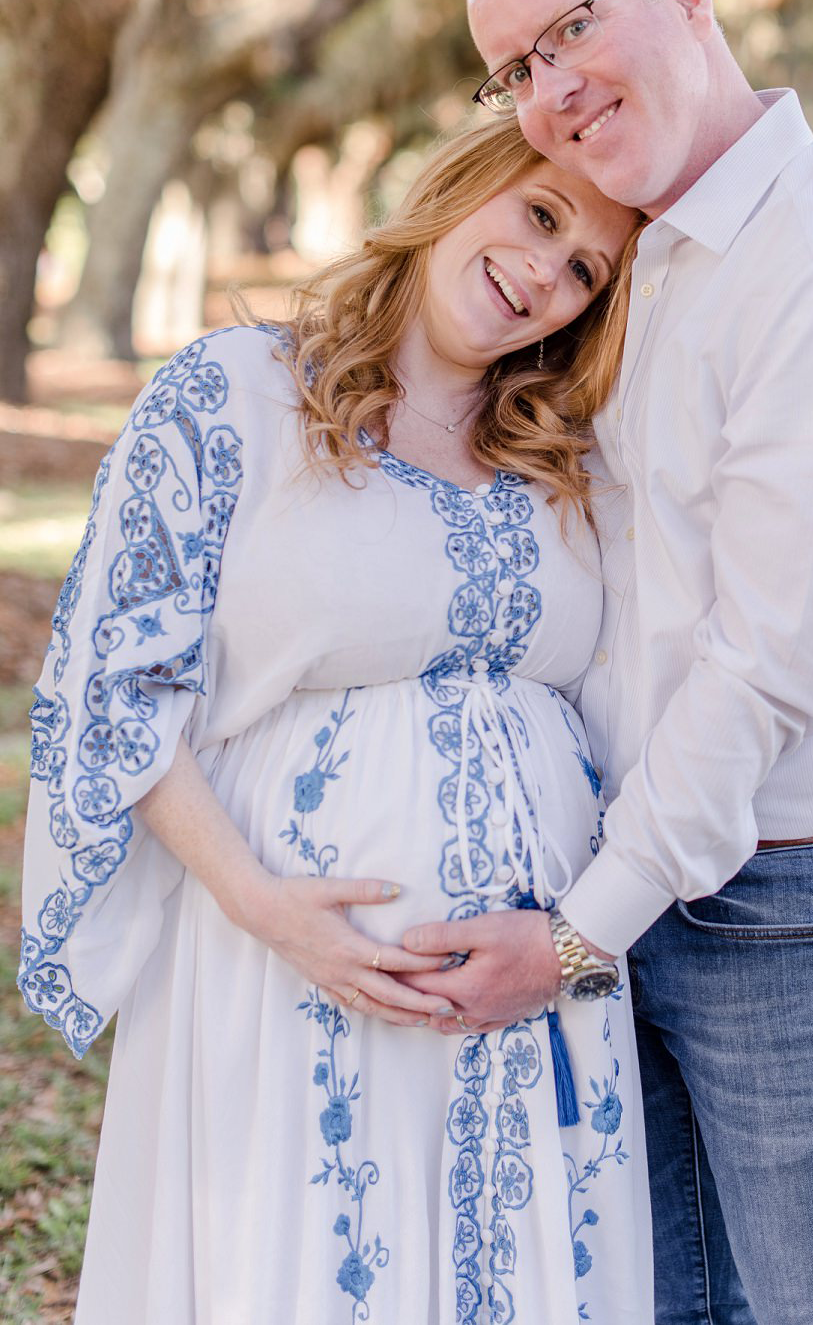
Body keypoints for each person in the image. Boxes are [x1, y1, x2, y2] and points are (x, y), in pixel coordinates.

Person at [395, 0, 813, 1324]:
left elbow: (763, 670)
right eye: (517, 66)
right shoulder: (635, 252)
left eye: (573, 25)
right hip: (636, 874)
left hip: (789, 898)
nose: (552, 87)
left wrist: (582, 929)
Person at [17, 116, 655, 1324]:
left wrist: (577, 927)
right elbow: (113, 679)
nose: (544, 273)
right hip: (283, 968)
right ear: (463, 184)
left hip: (532, 996)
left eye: (585, 271)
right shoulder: (234, 392)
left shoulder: (567, 457)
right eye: (539, 214)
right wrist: (262, 905)